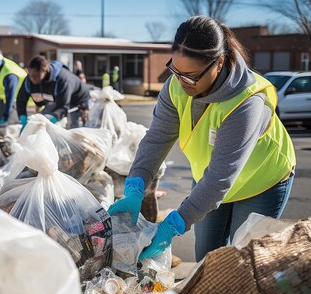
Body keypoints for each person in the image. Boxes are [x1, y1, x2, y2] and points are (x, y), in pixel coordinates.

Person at [107, 16, 296, 262]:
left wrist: (174, 224)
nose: (183, 81)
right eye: (176, 70)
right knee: (206, 258)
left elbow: (220, 178)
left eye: (192, 75)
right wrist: (135, 187)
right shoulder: (176, 85)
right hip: (210, 179)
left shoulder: (247, 103)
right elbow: (157, 138)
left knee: (240, 262)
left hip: (260, 181)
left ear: (218, 63)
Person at [17, 55, 91, 129]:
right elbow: (21, 100)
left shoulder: (63, 79)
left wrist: (53, 118)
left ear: (44, 70)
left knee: (73, 126)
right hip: (57, 100)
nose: (32, 79)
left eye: (35, 76)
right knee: (41, 120)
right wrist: (23, 118)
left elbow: (63, 106)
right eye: (30, 76)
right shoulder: (30, 79)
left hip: (78, 99)